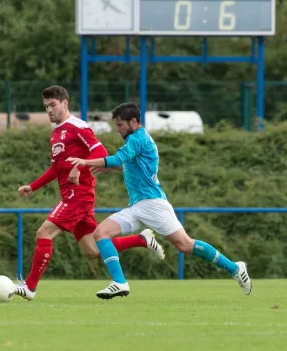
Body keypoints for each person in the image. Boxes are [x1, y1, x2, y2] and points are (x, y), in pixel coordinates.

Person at [67, 102, 252, 299]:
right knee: (101, 233)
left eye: (120, 124)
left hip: (153, 205)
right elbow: (129, 165)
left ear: (133, 122)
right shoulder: (137, 139)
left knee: (185, 245)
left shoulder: (137, 138)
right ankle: (119, 282)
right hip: (138, 206)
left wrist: (86, 161)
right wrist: (108, 168)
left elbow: (118, 159)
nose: (117, 129)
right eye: (116, 125)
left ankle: (234, 268)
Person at [14, 86, 165, 301]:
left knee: (43, 233)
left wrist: (80, 167)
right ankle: (142, 239)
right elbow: (56, 169)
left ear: (64, 103)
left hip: (80, 195)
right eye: (46, 106)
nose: (49, 110)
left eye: (53, 105)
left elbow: (100, 152)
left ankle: (29, 288)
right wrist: (33, 186)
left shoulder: (78, 127)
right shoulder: (56, 134)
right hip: (71, 196)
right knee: (93, 250)